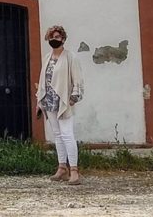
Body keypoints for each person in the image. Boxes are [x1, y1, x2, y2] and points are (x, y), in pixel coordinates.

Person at [36, 24, 85, 185]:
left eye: (56, 37)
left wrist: (74, 97)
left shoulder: (70, 58)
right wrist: (39, 100)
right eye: (51, 37)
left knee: (67, 135)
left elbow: (77, 79)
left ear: (63, 39)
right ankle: (62, 167)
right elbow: (43, 80)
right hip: (49, 100)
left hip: (63, 101)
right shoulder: (47, 58)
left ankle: (74, 171)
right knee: (57, 135)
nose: (54, 40)